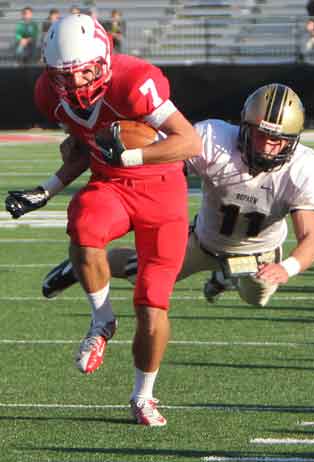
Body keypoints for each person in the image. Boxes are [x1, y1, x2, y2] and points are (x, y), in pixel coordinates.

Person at [5, 14, 201, 426]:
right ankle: (102, 320)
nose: (76, 84)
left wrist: (132, 155)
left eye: (86, 72)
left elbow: (189, 142)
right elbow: (82, 148)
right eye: (66, 76)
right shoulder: (49, 93)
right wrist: (47, 189)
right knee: (83, 222)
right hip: (111, 184)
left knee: (151, 306)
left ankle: (143, 395)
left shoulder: (134, 82)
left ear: (105, 59)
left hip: (162, 193)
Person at [41, 83, 314, 309]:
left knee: (256, 298)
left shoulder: (304, 168)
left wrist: (286, 267)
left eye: (277, 140)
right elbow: (161, 164)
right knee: (139, 271)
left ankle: (224, 277)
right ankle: (77, 266)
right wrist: (95, 146)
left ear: (293, 141)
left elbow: (311, 240)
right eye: (260, 135)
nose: (267, 147)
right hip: (202, 242)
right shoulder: (215, 140)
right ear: (244, 127)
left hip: (258, 254)